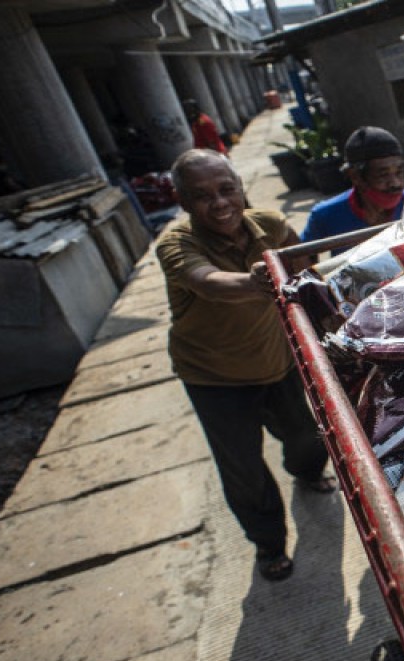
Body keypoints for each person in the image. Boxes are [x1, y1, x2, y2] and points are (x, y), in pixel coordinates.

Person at [155, 149, 330, 582]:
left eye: (226, 189)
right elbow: (206, 282)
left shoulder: (270, 224)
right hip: (215, 377)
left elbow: (308, 268)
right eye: (201, 196)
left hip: (279, 360)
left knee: (309, 436)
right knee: (244, 469)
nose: (218, 203)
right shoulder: (177, 244)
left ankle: (307, 475)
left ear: (241, 188)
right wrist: (255, 280)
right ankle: (268, 543)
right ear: (183, 202)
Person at [301, 126, 404, 243]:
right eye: (383, 175)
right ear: (355, 177)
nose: (395, 183)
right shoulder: (325, 215)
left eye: (399, 172)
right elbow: (300, 257)